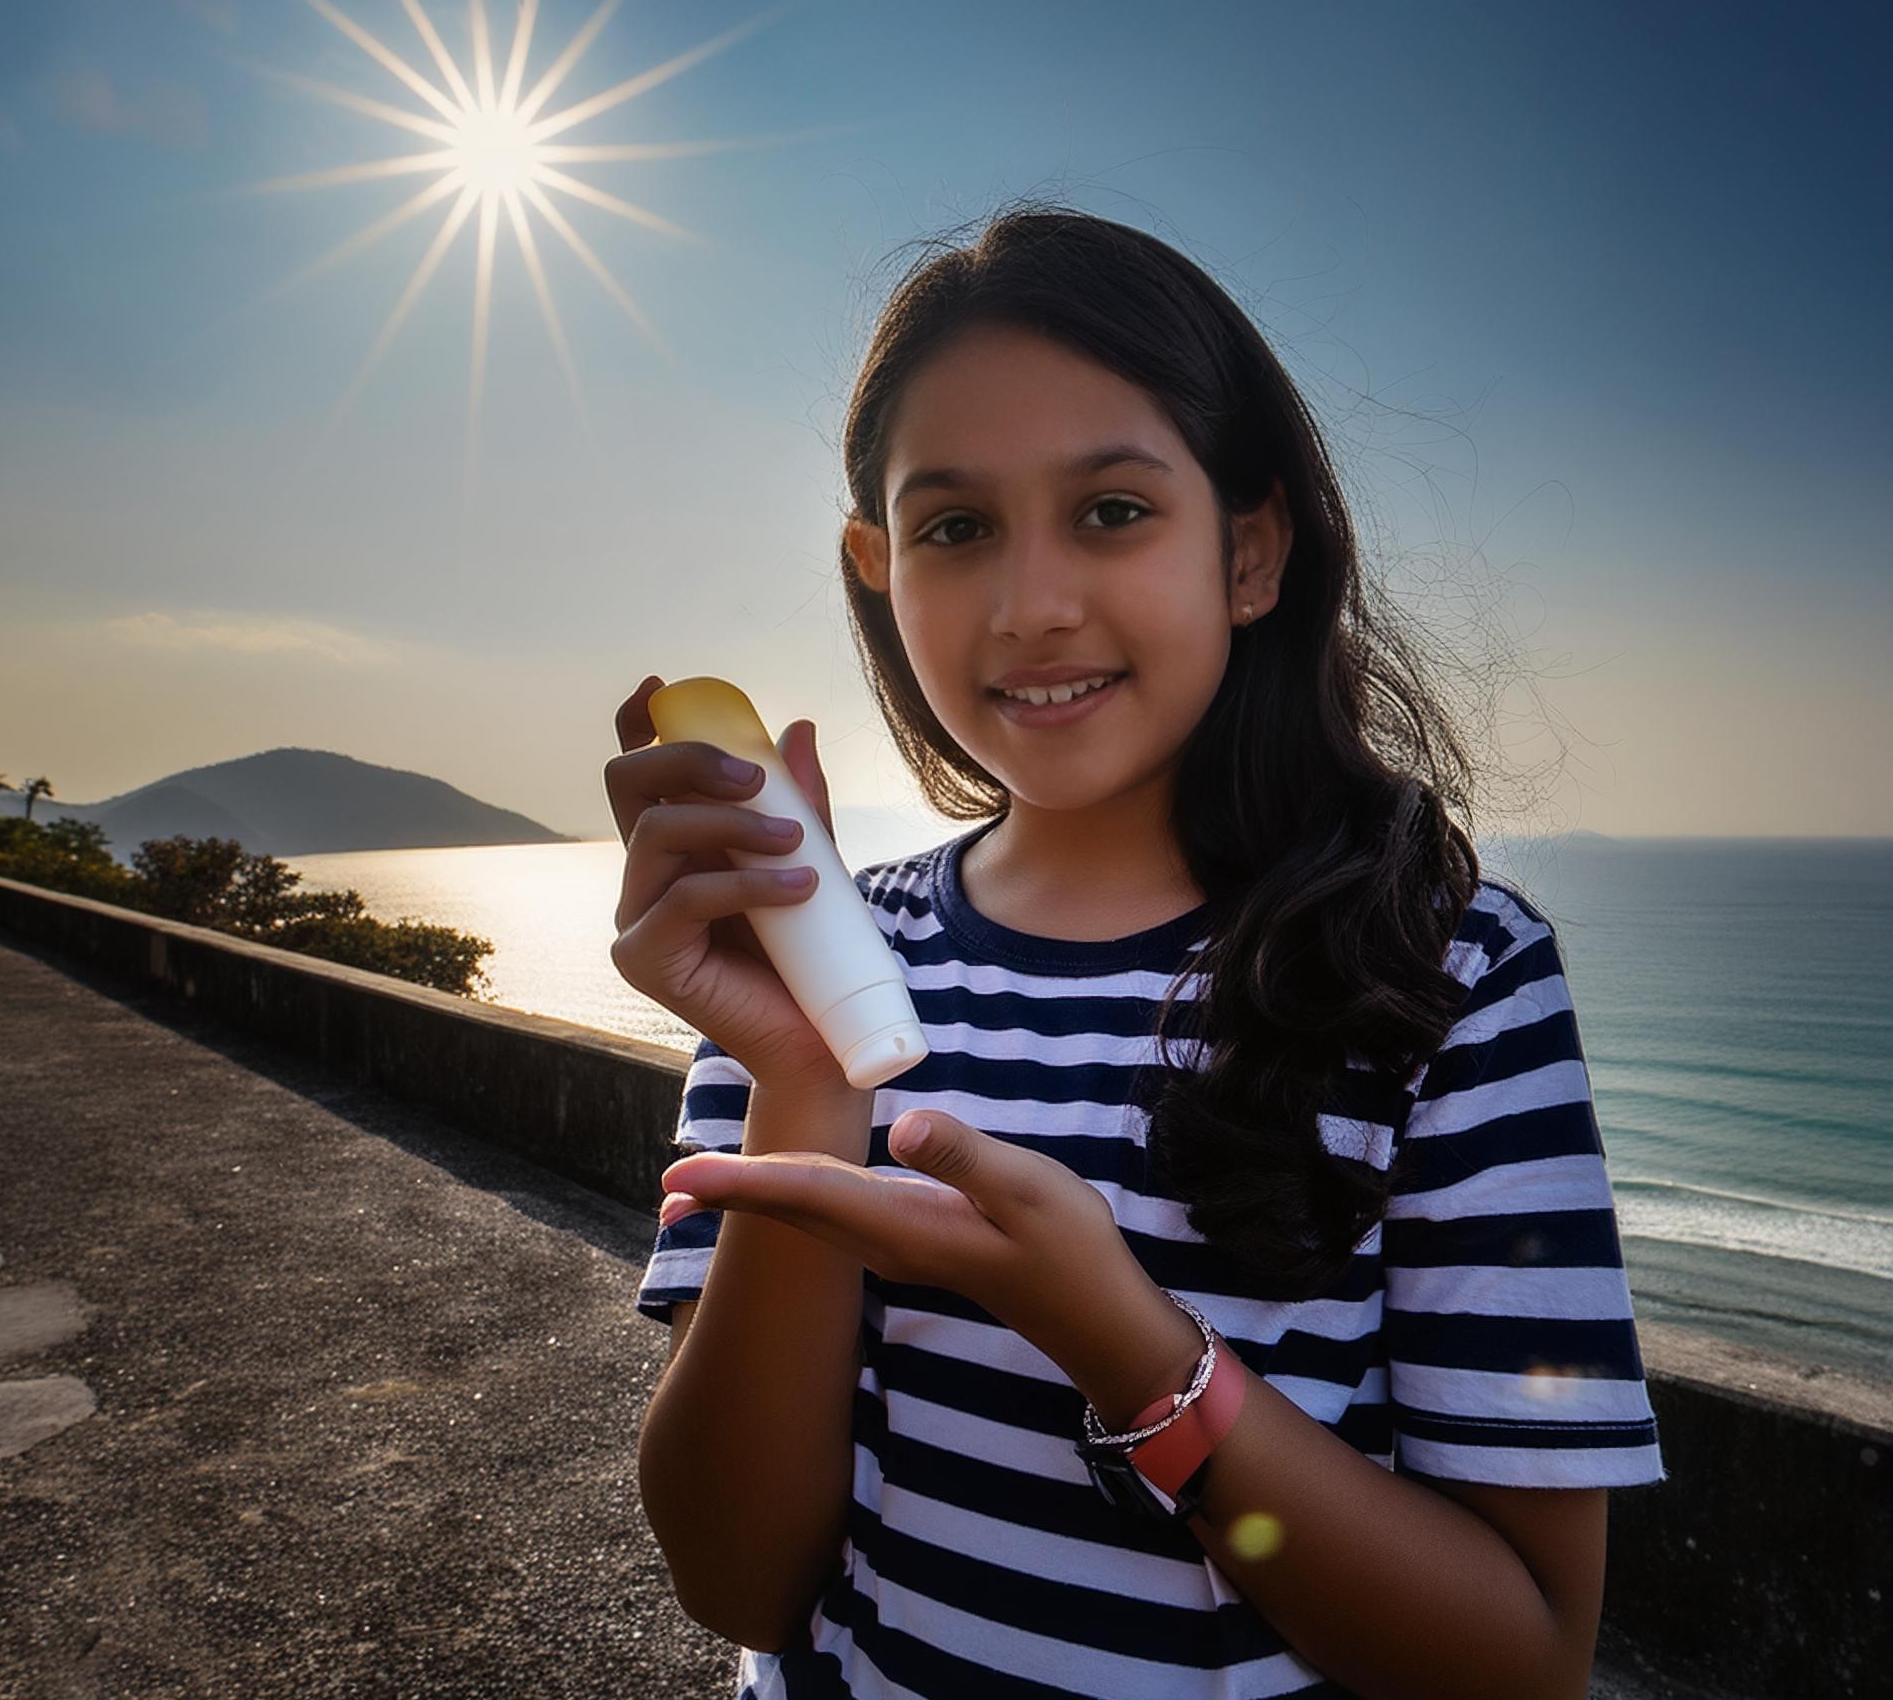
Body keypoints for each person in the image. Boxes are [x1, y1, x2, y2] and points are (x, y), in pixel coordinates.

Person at [605, 205, 1665, 1699]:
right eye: (956, 527)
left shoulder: (1443, 976)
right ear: (876, 566)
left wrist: (1123, 1345)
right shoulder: (825, 963)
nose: (1033, 606)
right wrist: (797, 1070)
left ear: (1251, 548)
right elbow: (739, 1579)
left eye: (1111, 509)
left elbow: (1520, 1662)